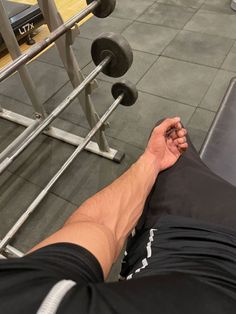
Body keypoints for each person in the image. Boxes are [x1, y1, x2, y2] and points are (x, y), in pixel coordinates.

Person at [0, 117, 236, 314]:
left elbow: (100, 227)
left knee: (168, 133)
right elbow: (99, 227)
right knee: (170, 131)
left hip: (190, 242)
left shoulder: (31, 298)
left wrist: (153, 159)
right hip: (207, 234)